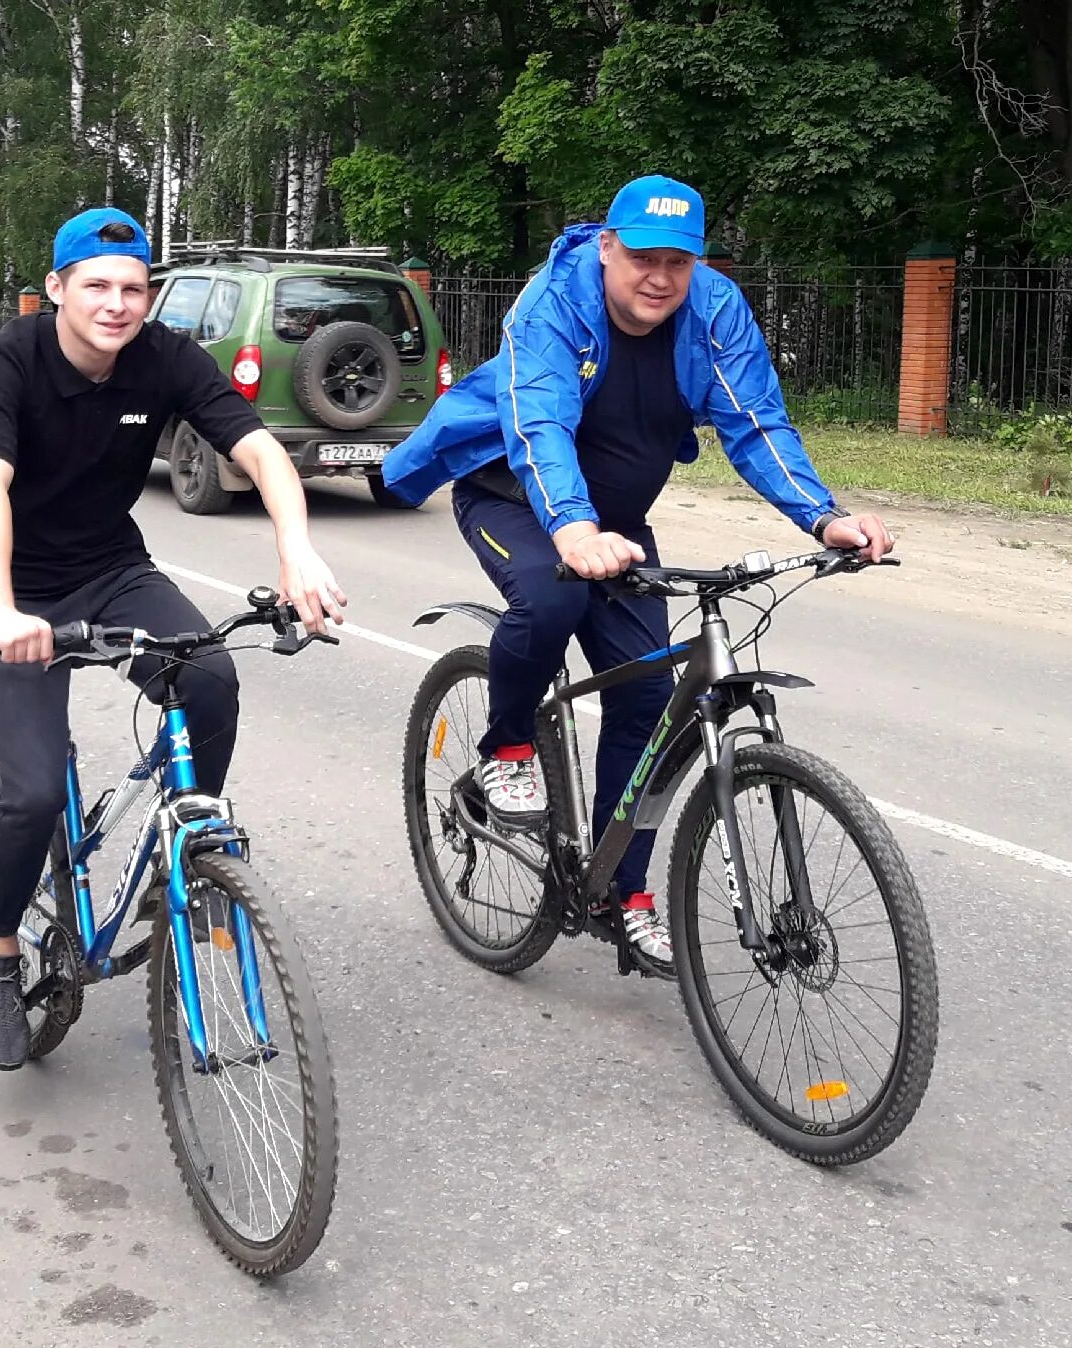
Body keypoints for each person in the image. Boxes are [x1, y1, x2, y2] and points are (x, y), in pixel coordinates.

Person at [378, 174, 893, 965]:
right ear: (608, 247)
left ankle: (625, 891)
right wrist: (573, 526)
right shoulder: (555, 300)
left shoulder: (713, 309)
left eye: (679, 262)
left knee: (649, 697)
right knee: (551, 603)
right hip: (513, 491)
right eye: (643, 257)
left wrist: (824, 515)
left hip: (614, 523)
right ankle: (509, 746)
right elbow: (541, 419)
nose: (660, 278)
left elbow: (755, 423)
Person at [0, 208, 346, 1070]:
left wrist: (297, 551)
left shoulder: (165, 358)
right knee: (30, 790)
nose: (116, 303)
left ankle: (196, 849)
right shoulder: (2, 362)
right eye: (96, 285)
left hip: (111, 569)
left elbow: (262, 452)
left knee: (208, 677)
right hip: (16, 586)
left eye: (132, 287)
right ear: (56, 288)